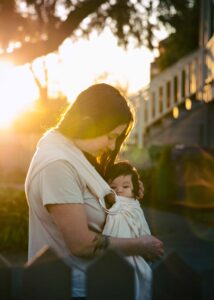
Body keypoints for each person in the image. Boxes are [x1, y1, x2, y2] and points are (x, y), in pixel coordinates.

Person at [25, 83, 164, 299]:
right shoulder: (57, 165)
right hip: (76, 289)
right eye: (111, 136)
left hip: (99, 282)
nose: (112, 145)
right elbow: (81, 244)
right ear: (88, 124)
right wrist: (141, 245)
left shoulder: (73, 154)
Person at [104, 161, 153, 300]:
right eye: (113, 187)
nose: (119, 190)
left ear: (135, 189)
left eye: (125, 186)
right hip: (122, 250)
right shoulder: (116, 206)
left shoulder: (134, 206)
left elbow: (142, 225)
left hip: (134, 250)